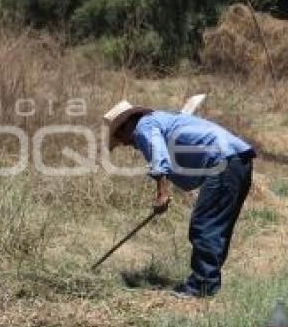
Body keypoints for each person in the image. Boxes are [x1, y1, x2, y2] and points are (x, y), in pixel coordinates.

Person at [104, 101, 256, 298]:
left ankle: (201, 287)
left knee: (204, 226)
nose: (126, 144)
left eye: (120, 137)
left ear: (126, 125)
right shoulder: (162, 120)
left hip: (223, 162)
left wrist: (162, 193)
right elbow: (186, 171)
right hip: (238, 161)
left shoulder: (144, 126)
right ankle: (207, 284)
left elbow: (158, 155)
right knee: (217, 227)